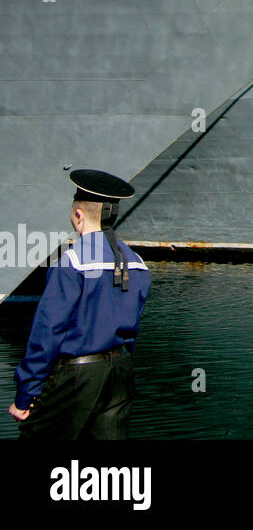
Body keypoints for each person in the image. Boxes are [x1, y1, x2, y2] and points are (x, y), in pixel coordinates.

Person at [9, 170, 150, 440]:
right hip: (120, 372)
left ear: (78, 215)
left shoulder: (72, 263)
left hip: (77, 374)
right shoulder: (137, 263)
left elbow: (47, 332)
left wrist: (26, 394)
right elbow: (133, 324)